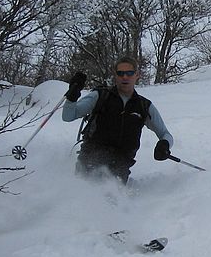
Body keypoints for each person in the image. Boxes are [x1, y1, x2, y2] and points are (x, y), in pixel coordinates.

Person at [61, 56, 174, 184]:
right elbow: (68, 116)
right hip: (90, 158)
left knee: (111, 198)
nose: (125, 77)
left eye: (129, 73)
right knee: (80, 195)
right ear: (115, 75)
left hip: (120, 164)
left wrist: (164, 145)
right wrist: (72, 96)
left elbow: (166, 134)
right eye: (120, 73)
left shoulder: (144, 106)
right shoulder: (100, 96)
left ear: (137, 75)